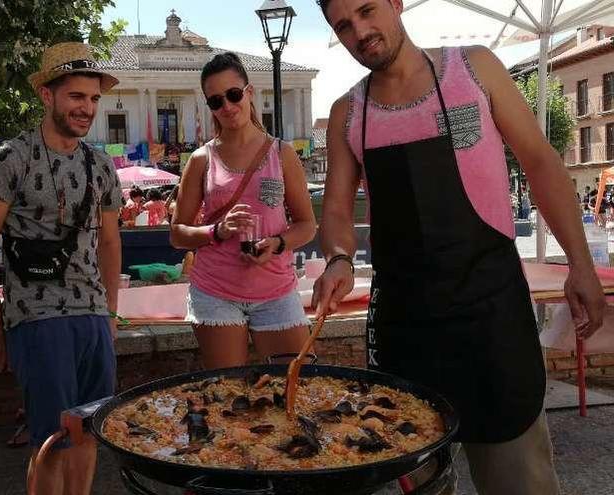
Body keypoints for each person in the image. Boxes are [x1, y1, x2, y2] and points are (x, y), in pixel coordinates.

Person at [313, 1, 606, 493]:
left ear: (395, 4)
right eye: (344, 25)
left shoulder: (473, 69)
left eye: (367, 10)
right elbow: (338, 211)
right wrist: (339, 258)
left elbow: (541, 163)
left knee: (520, 481)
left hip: (491, 318)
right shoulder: (349, 113)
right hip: (404, 329)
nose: (361, 31)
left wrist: (581, 264)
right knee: (417, 480)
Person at [0, 41, 123, 495]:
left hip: (90, 315)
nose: (87, 108)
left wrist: (109, 312)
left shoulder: (101, 164)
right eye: (76, 96)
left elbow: (111, 242)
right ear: (47, 95)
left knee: (89, 429)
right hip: (36, 316)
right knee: (51, 439)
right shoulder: (9, 158)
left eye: (94, 99)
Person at [170, 52, 317, 369]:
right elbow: (177, 234)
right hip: (215, 292)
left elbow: (307, 225)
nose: (227, 106)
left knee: (291, 388)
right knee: (227, 395)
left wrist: (277, 244)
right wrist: (217, 231)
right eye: (216, 101)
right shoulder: (200, 159)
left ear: (249, 93)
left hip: (276, 290)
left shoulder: (282, 153)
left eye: (234, 95)